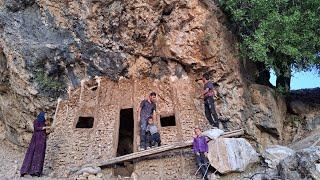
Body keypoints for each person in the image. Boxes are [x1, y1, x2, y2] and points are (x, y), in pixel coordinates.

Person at [20, 112, 51, 177]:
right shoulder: (36, 121)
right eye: (45, 115)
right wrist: (44, 128)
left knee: (40, 155)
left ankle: (37, 171)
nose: (46, 116)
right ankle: (27, 170)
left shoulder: (43, 122)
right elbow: (36, 128)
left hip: (42, 141)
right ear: (41, 115)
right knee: (33, 153)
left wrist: (48, 130)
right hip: (36, 139)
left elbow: (45, 131)